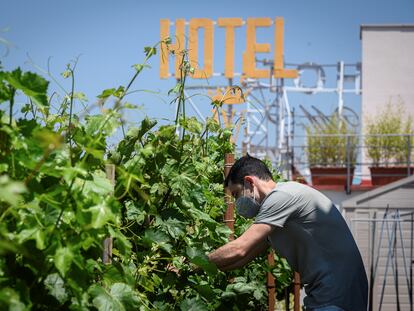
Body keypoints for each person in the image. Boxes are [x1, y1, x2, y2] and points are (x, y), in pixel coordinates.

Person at [208, 155, 368, 311]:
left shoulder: (281, 196)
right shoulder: (277, 211)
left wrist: (192, 264)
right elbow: (242, 258)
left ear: (249, 182)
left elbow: (239, 248)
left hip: (335, 296)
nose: (237, 203)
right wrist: (204, 268)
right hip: (330, 294)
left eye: (236, 194)